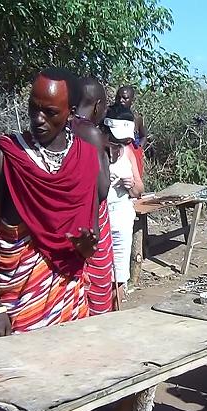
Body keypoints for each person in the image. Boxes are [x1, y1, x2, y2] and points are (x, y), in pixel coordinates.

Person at [0, 67, 101, 411]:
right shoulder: (4, 157)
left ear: (71, 113)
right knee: (13, 398)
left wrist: (85, 248)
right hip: (15, 302)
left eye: (50, 112)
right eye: (34, 108)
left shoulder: (84, 158)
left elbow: (90, 234)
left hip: (67, 298)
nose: (39, 119)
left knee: (59, 392)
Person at [72, 76, 115, 315]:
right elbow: (102, 189)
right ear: (98, 105)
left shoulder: (63, 126)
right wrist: (105, 157)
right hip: (91, 219)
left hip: (70, 217)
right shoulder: (89, 132)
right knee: (96, 286)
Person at [103, 104, 144, 302]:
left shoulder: (127, 151)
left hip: (121, 216)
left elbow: (139, 189)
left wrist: (131, 185)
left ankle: (116, 307)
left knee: (119, 273)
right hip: (101, 217)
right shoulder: (95, 149)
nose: (118, 146)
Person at [114, 85, 147, 174]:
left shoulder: (137, 119)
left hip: (132, 160)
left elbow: (143, 136)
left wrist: (138, 150)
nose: (121, 100)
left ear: (132, 100)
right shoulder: (108, 114)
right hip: (113, 157)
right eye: (118, 98)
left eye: (125, 98)